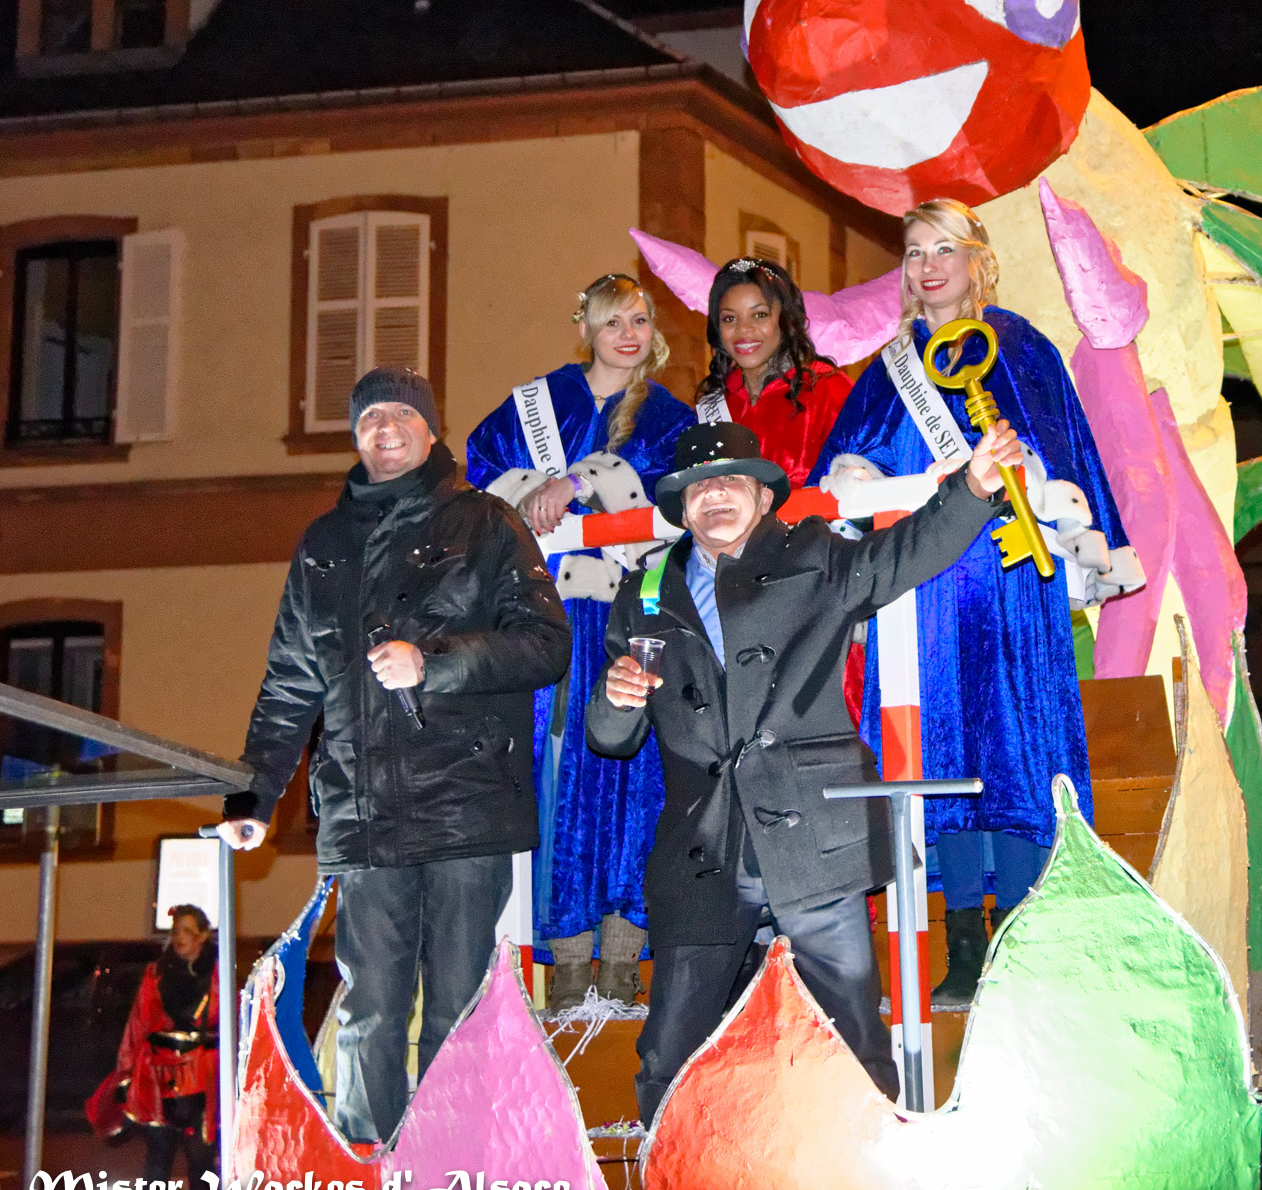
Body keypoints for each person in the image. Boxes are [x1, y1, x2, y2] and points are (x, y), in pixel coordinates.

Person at [587, 419, 1022, 1122]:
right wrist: (613, 698)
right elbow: (611, 736)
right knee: (670, 1054)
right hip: (704, 852)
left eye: (732, 480)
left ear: (765, 497)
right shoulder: (645, 591)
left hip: (813, 834)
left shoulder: (814, 552)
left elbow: (906, 551)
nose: (715, 494)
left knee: (851, 1034)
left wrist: (971, 489)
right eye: (699, 486)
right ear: (681, 506)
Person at [221, 367, 571, 1145]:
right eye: (369, 416)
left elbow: (547, 644)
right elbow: (288, 682)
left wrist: (435, 661)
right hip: (362, 806)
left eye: (401, 414)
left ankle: (457, 1173)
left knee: (457, 1004)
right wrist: (253, 796)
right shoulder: (322, 544)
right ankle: (374, 1176)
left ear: (431, 429)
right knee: (369, 1004)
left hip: (464, 801)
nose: (385, 427)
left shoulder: (487, 523)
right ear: (355, 435)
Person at [811, 198, 1132, 1007]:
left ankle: (1025, 938)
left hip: (1010, 578)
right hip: (921, 591)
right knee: (937, 754)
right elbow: (843, 472)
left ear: (976, 259)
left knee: (1014, 744)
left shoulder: (1022, 346)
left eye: (943, 249)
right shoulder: (890, 367)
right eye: (914, 251)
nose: (927, 266)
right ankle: (960, 943)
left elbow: (1072, 449)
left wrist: (1034, 462)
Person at [467, 274, 696, 1008]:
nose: (628, 333)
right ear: (586, 328)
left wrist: (586, 478)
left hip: (634, 613)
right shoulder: (535, 402)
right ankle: (562, 960)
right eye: (612, 321)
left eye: (639, 319)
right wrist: (538, 483)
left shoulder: (667, 414)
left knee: (633, 780)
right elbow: (475, 478)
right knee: (553, 778)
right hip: (543, 614)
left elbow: (685, 494)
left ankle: (625, 955)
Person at [86, 906, 219, 1190]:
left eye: (187, 930)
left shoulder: (219, 976)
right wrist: (125, 1073)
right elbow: (137, 1024)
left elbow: (234, 1025)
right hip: (158, 1079)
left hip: (202, 1080)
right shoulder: (156, 975)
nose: (180, 937)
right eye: (176, 931)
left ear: (202, 936)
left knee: (202, 1162)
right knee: (158, 1159)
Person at [695, 257, 854, 486]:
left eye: (759, 314)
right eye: (729, 318)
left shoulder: (829, 390)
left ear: (786, 318)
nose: (743, 330)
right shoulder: (715, 403)